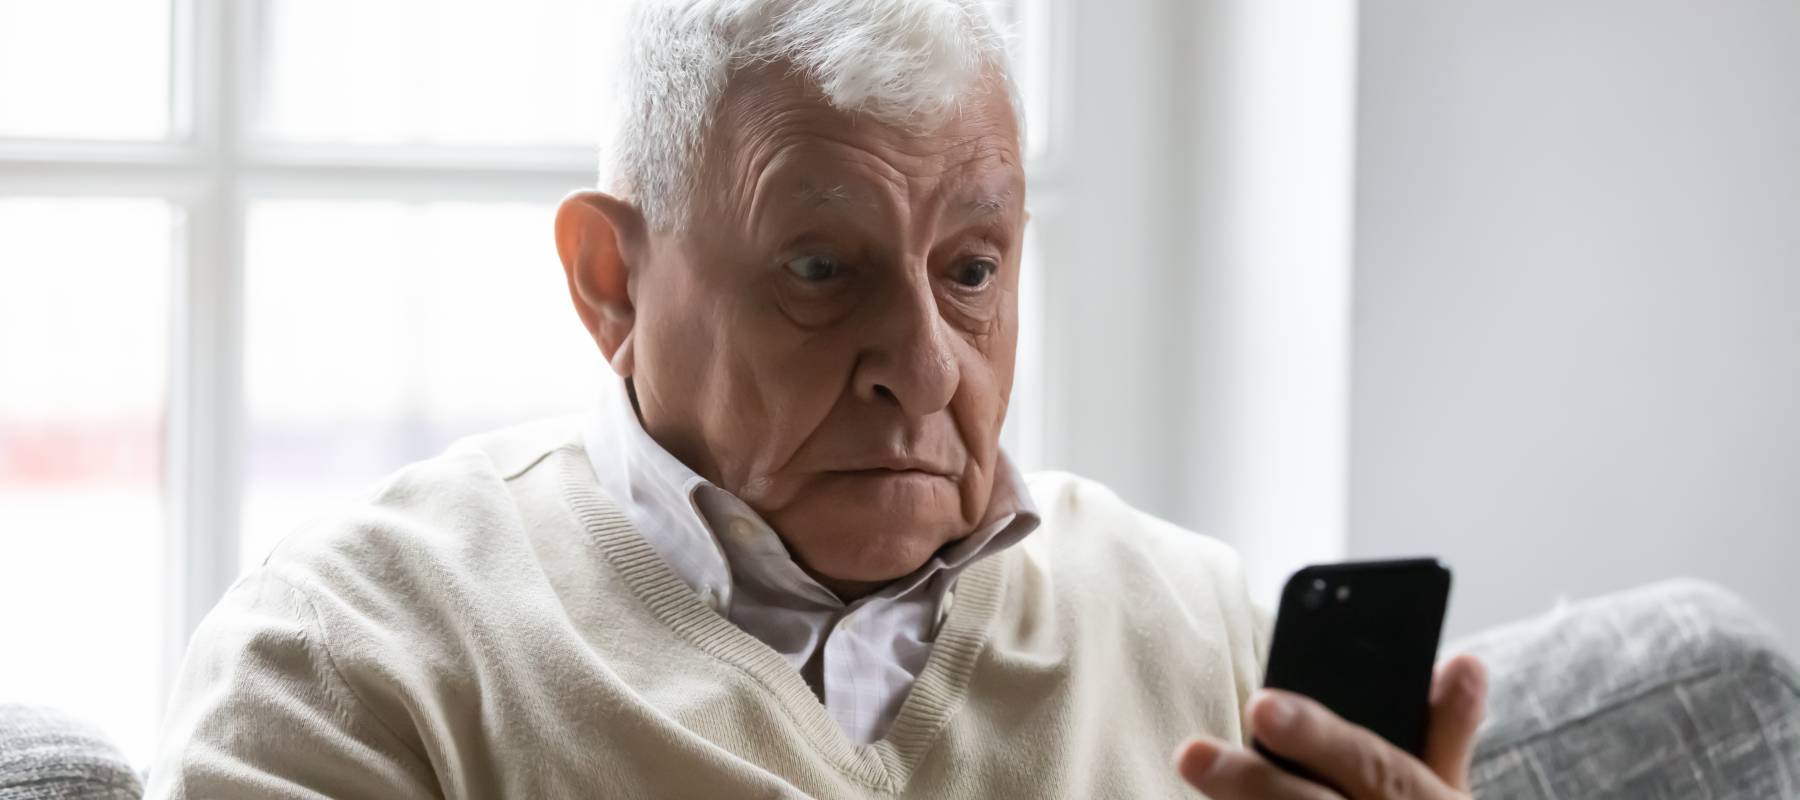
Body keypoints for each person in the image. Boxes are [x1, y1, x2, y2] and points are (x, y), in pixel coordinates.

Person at [146, 1, 1487, 796]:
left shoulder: (1198, 632)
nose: (925, 360)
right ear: (610, 278)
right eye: (820, 269)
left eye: (970, 269)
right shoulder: (356, 657)